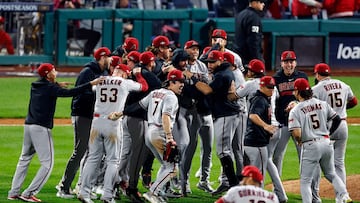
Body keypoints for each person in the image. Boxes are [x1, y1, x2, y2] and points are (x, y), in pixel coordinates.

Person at [7, 63, 104, 202]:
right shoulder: (50, 88)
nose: (56, 72)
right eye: (53, 71)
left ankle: (13, 192)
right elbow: (70, 93)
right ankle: (28, 193)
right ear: (48, 74)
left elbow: (49, 88)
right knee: (47, 164)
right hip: (41, 128)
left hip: (28, 126)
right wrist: (90, 84)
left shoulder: (37, 85)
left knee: (24, 159)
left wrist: (57, 84)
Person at [77, 64, 149, 203]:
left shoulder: (100, 79)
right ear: (123, 73)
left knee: (93, 158)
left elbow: (92, 89)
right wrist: (139, 75)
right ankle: (108, 195)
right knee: (113, 161)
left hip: (96, 122)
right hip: (113, 123)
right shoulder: (125, 82)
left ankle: (84, 192)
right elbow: (144, 87)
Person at [123, 69, 185, 203]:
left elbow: (140, 106)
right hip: (160, 133)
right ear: (171, 82)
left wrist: (122, 112)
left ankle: (158, 192)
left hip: (149, 131)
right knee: (172, 168)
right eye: (180, 82)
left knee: (165, 164)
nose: (182, 85)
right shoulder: (171, 97)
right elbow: (165, 116)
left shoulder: (155, 92)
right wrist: (169, 138)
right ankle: (153, 192)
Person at [56, 47, 111, 199]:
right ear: (102, 57)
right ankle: (63, 187)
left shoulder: (104, 73)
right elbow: (78, 92)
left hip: (93, 116)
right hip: (82, 114)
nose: (110, 59)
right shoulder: (87, 72)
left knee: (91, 152)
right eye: (108, 57)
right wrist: (94, 91)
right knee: (80, 151)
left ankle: (82, 187)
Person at [288, 78, 353, 203]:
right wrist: (328, 133)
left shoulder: (295, 110)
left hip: (310, 145)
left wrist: (299, 140)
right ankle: (345, 195)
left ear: (297, 92)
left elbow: (296, 133)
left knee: (305, 181)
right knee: (331, 174)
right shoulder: (322, 104)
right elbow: (337, 119)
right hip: (326, 142)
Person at [191, 50, 240, 195]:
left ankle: (233, 185)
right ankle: (231, 183)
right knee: (225, 151)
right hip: (227, 114)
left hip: (225, 114)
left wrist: (193, 79)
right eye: (208, 62)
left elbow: (207, 90)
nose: (209, 64)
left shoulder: (222, 74)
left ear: (220, 61)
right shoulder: (224, 71)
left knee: (223, 151)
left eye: (212, 62)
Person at [119, 51, 162, 203]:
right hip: (136, 118)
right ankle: (131, 188)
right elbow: (160, 86)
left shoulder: (135, 72)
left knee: (125, 153)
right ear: (151, 62)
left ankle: (115, 184)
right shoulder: (144, 72)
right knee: (137, 154)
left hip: (127, 116)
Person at [312, 63, 357, 184]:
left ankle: (314, 193)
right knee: (339, 162)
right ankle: (343, 195)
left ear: (317, 74)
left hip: (326, 127)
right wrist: (341, 109)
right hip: (342, 125)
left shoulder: (316, 89)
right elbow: (354, 101)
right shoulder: (343, 84)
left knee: (317, 160)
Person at [243, 76, 277, 183]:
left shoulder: (262, 98)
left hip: (251, 142)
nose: (271, 89)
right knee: (259, 176)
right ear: (261, 86)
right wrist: (266, 126)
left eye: (272, 87)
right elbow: (253, 115)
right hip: (256, 143)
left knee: (249, 174)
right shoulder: (260, 100)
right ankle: (258, 198)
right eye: (269, 87)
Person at [215, 165, 280, 203]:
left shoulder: (236, 191)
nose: (241, 181)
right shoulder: (273, 197)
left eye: (243, 178)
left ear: (250, 179)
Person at [234, 0, 265, 65]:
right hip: (249, 59)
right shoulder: (254, 17)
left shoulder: (240, 14)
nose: (263, 4)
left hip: (239, 56)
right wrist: (257, 60)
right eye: (261, 2)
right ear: (254, 2)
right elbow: (253, 41)